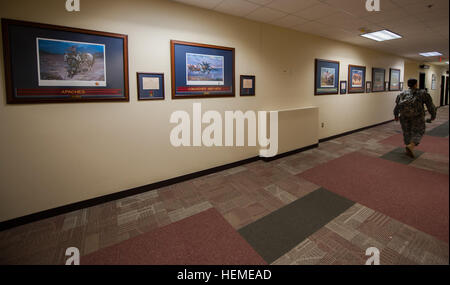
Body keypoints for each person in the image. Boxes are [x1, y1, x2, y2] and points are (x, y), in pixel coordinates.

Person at [394, 78, 436, 158]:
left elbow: (397, 106)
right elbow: (430, 106)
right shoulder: (422, 93)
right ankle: (411, 145)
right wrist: (433, 115)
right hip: (417, 117)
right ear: (416, 84)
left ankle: (408, 146)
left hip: (404, 116)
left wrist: (396, 115)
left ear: (408, 84)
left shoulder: (402, 93)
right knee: (419, 131)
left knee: (407, 131)